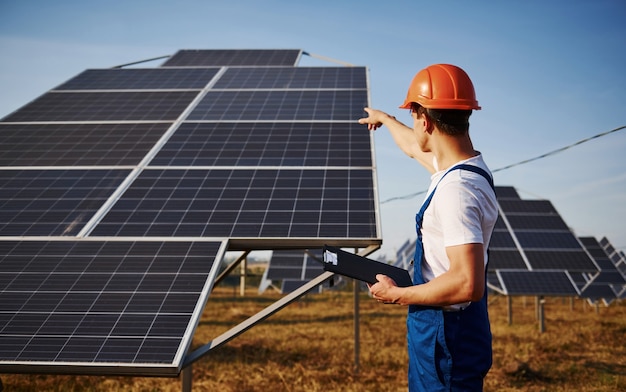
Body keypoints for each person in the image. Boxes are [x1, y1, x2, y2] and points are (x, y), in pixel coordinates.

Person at [359, 64, 498, 391]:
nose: (412, 123)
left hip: (446, 335)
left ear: (424, 119)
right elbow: (413, 147)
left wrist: (397, 295)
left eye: (412, 115)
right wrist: (387, 120)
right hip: (449, 328)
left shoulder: (456, 191)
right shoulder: (466, 167)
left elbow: (466, 283)